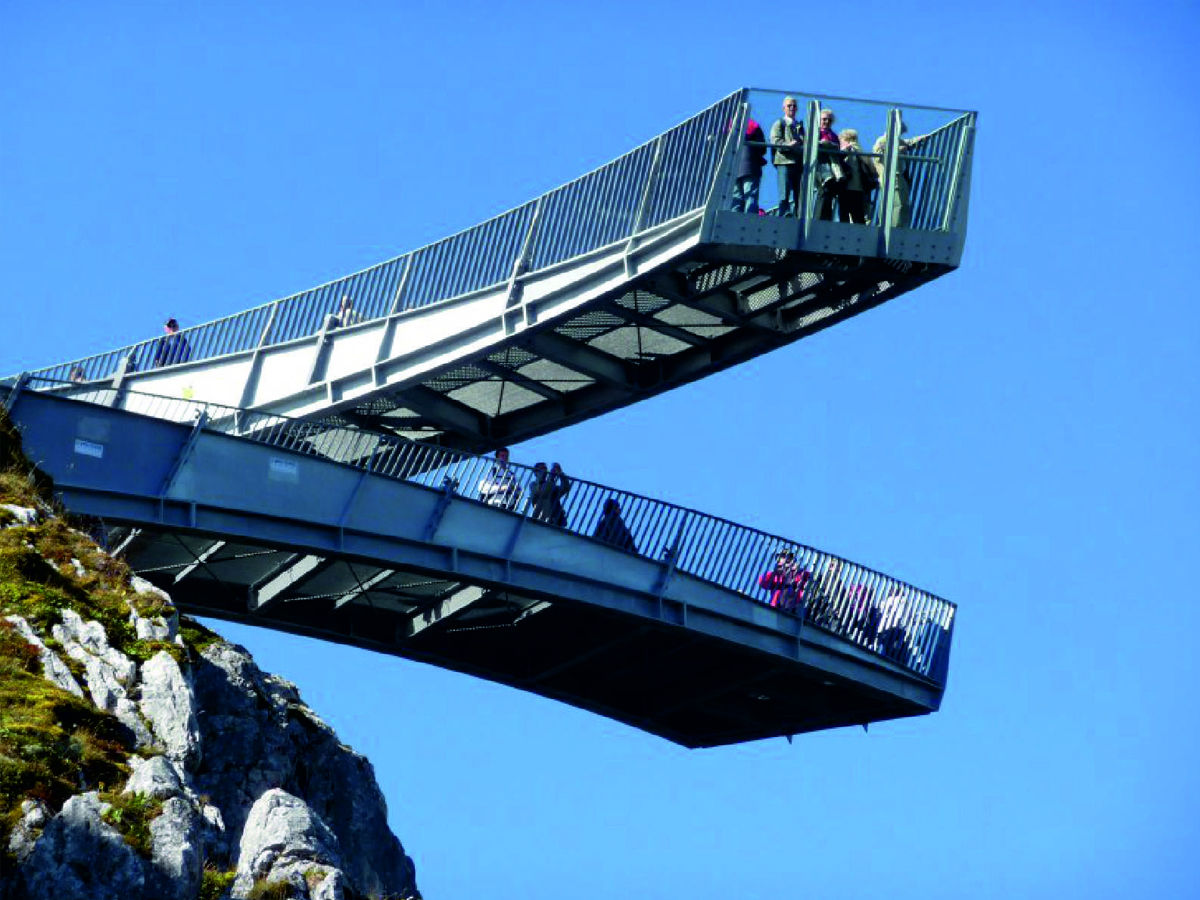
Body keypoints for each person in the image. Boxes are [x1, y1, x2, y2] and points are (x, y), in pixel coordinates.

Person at [872, 120, 930, 228]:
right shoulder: (882, 140)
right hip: (891, 176)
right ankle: (895, 226)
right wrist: (897, 150)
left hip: (900, 175)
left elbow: (909, 142)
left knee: (903, 202)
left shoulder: (897, 140)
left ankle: (901, 224)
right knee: (897, 202)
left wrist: (922, 138)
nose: (900, 135)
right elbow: (879, 154)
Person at [769, 97, 805, 217]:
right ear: (783, 108)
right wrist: (787, 145)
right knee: (784, 192)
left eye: (794, 106)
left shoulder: (800, 126)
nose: (792, 108)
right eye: (789, 106)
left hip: (798, 163)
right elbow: (775, 141)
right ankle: (784, 214)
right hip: (784, 162)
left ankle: (797, 216)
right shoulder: (780, 123)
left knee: (798, 193)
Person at [838, 128, 876, 225]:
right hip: (861, 189)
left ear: (845, 139)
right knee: (858, 216)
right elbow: (872, 169)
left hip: (847, 187)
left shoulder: (847, 151)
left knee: (844, 216)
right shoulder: (862, 152)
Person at [731, 117, 767, 214]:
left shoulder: (729, 128)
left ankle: (735, 219)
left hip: (733, 167)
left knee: (736, 198)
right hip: (751, 166)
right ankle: (749, 218)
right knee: (750, 195)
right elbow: (763, 148)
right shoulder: (754, 126)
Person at [815, 109, 842, 221]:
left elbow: (837, 149)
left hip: (832, 168)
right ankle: (819, 217)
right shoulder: (816, 133)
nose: (826, 122)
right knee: (823, 191)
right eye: (824, 119)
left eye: (829, 120)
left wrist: (828, 145)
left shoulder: (834, 136)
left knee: (829, 193)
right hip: (819, 167)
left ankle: (827, 217)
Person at [529, 461, 571, 526]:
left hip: (556, 520)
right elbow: (544, 491)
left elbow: (565, 488)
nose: (545, 471)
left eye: (545, 469)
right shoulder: (533, 485)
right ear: (536, 472)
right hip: (542, 520)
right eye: (542, 468)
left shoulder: (552, 485)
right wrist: (551, 478)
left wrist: (560, 473)